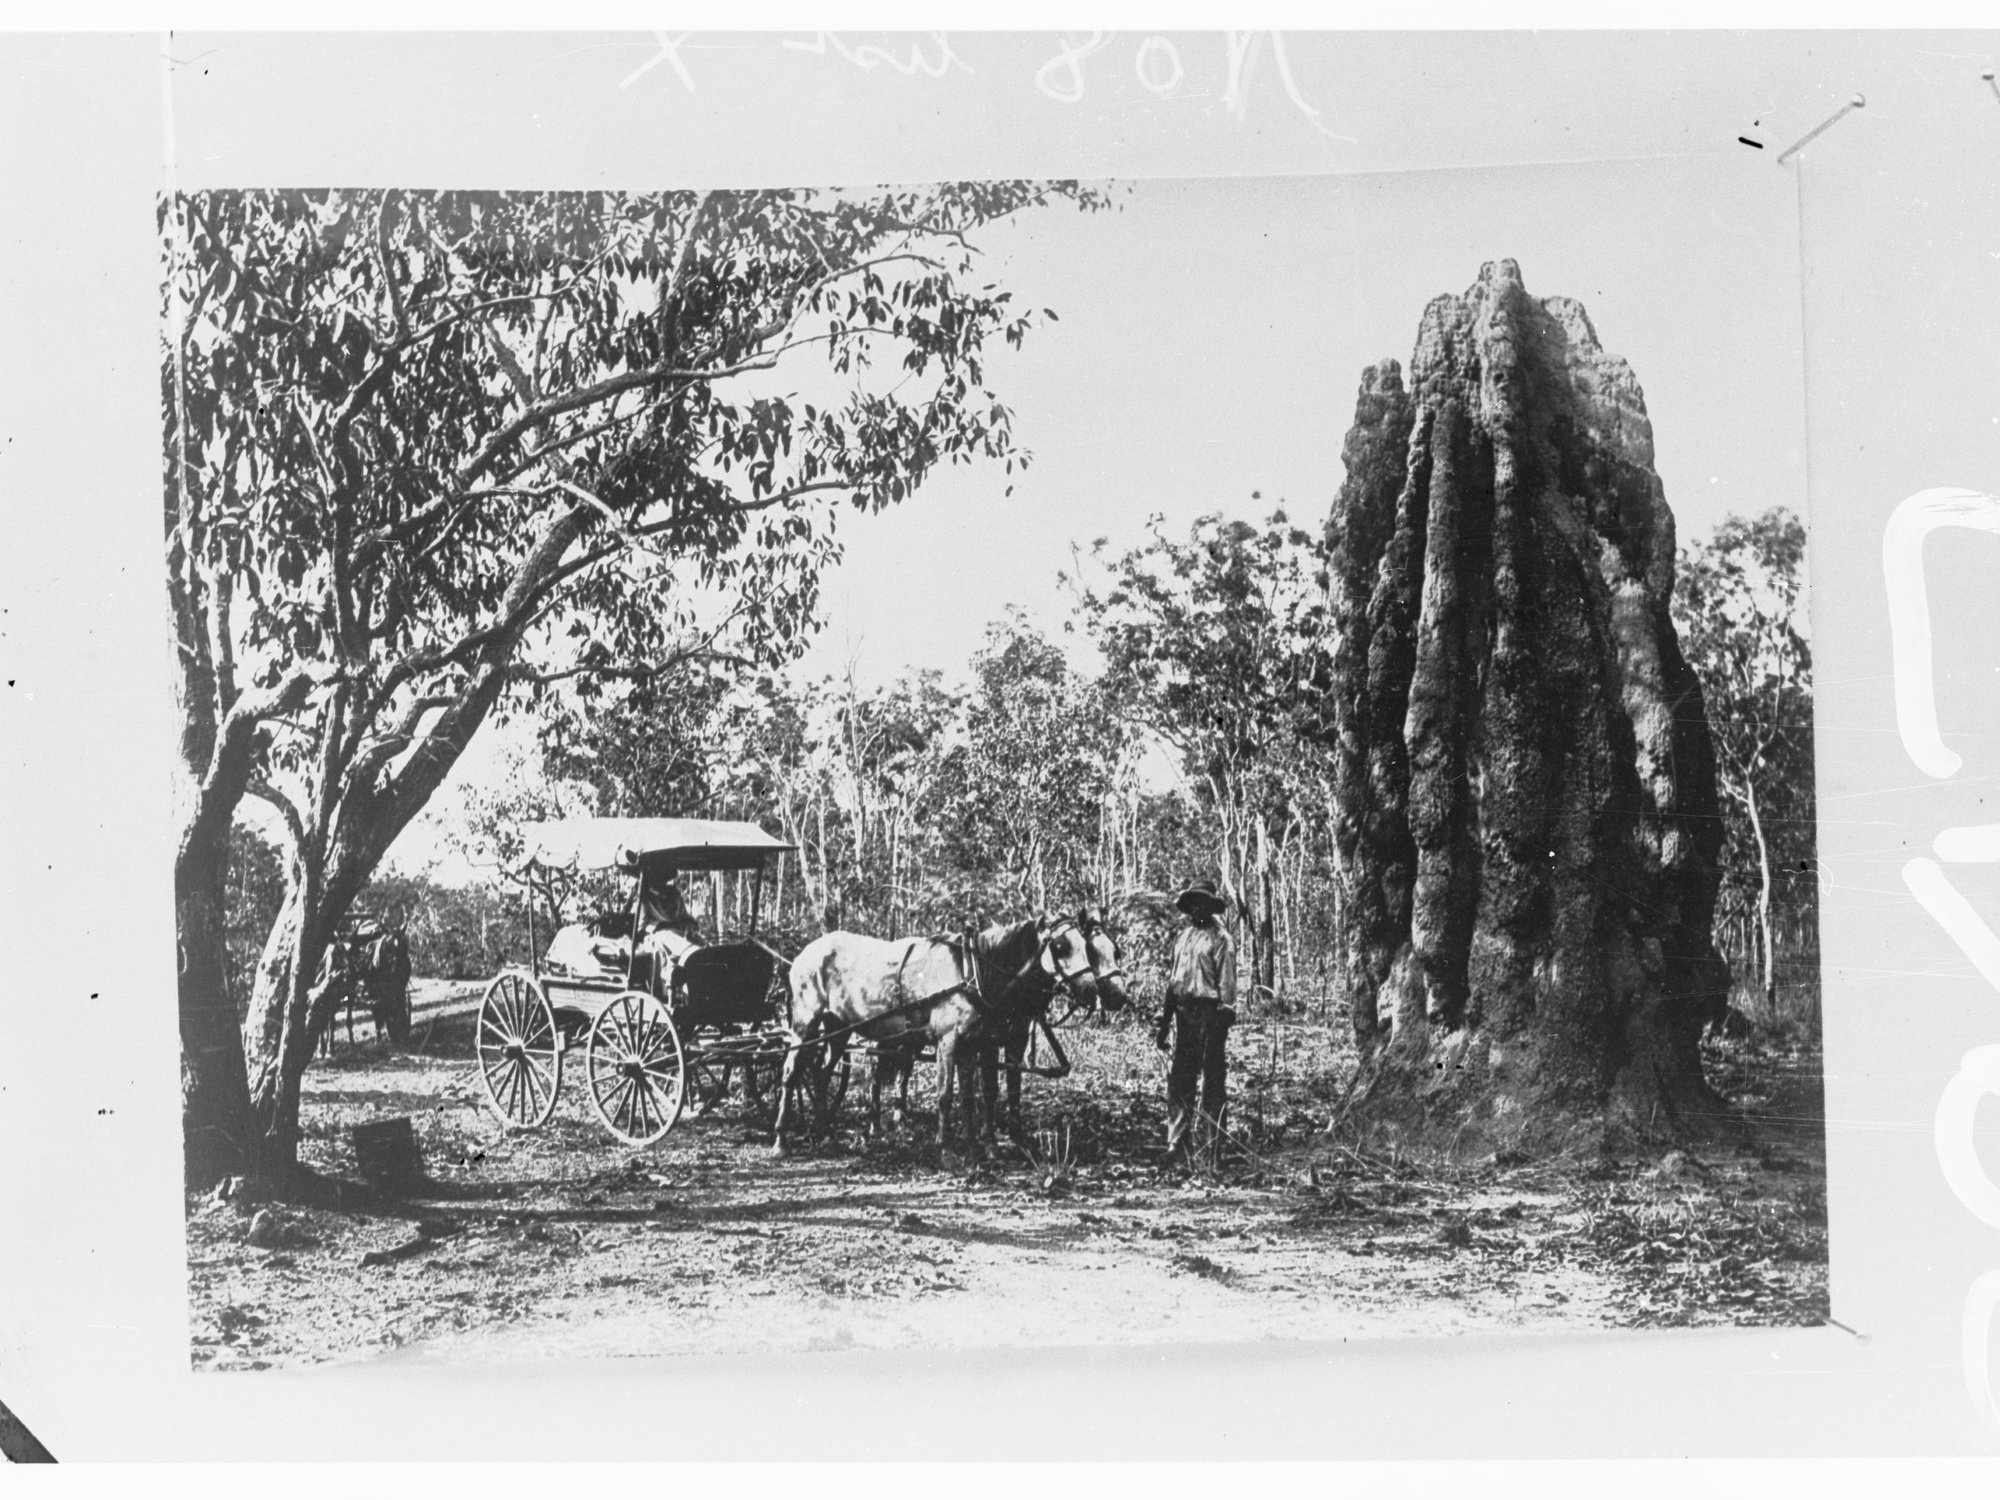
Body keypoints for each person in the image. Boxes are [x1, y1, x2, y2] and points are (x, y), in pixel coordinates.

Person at [1155, 878, 1237, 1167]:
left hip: (1210, 1013)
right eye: (1193, 904)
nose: (1197, 910)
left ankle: (1212, 1148)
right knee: (1180, 1080)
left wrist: (1221, 1019)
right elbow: (1174, 983)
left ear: (1210, 907)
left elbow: (1227, 990)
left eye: (1203, 904)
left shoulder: (1221, 940)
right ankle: (1177, 1143)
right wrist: (1165, 1024)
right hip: (1184, 1014)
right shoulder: (1183, 938)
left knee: (1213, 1082)